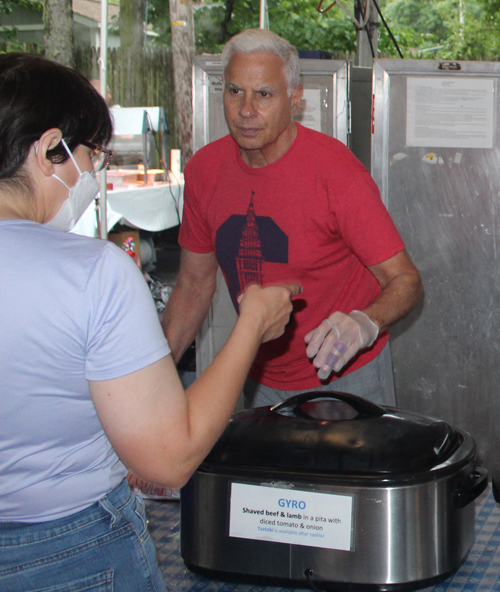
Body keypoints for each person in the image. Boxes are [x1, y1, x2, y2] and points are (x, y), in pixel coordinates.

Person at [0, 53, 301, 591]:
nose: (94, 173)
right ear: (50, 149)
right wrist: (251, 325)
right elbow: (170, 457)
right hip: (70, 550)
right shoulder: (90, 273)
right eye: (93, 155)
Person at [162, 28, 423, 409]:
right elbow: (192, 287)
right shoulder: (205, 170)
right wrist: (153, 378)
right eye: (235, 91)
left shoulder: (336, 173)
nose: (246, 110)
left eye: (263, 94)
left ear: (294, 99)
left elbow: (406, 280)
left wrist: (365, 323)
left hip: (345, 376)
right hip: (255, 374)